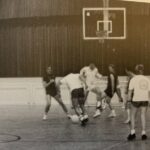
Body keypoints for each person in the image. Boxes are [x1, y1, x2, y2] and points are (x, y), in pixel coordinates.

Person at [127, 64, 150, 141]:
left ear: (136, 71)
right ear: (143, 70)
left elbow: (130, 92)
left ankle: (132, 133)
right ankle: (143, 133)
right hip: (145, 99)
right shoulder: (147, 79)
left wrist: (128, 101)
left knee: (132, 115)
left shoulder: (133, 79)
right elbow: (149, 92)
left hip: (136, 99)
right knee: (143, 115)